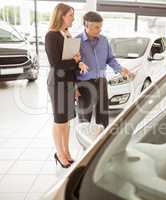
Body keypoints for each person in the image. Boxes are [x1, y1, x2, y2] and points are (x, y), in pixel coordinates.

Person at [45, 3, 88, 168]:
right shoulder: (52, 36)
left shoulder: (67, 35)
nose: (73, 18)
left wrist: (79, 64)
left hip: (69, 82)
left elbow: (70, 61)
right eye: (70, 15)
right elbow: (56, 64)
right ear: (61, 16)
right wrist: (75, 61)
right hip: (57, 83)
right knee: (59, 120)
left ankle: (66, 151)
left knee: (67, 121)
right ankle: (59, 153)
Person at [76, 11, 133, 127]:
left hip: (101, 82)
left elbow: (110, 59)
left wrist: (121, 69)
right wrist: (73, 86)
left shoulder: (104, 40)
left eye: (100, 26)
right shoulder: (76, 41)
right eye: (97, 27)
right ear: (87, 25)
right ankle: (86, 144)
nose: (100, 30)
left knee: (103, 116)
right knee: (84, 119)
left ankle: (102, 142)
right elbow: (70, 66)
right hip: (84, 84)